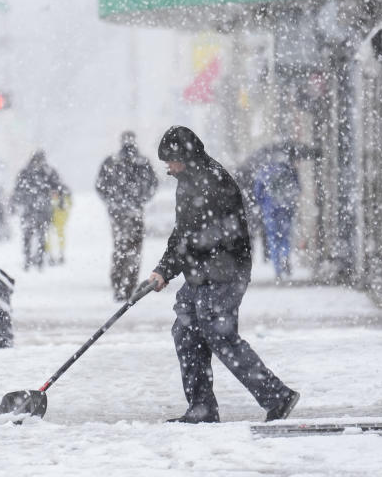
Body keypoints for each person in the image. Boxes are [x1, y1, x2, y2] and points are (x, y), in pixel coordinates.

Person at [147, 126, 299, 424]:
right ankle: (201, 407)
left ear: (185, 156)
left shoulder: (211, 181)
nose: (168, 166)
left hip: (223, 272)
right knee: (186, 332)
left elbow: (200, 237)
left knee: (220, 335)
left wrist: (170, 268)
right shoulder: (189, 180)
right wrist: (164, 269)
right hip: (200, 271)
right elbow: (183, 234)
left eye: (171, 159)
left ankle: (277, 396)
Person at [96, 131, 159, 301]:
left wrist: (112, 202)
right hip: (134, 211)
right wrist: (141, 200)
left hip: (118, 212)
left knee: (120, 247)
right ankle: (129, 284)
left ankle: (118, 284)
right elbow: (153, 184)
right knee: (134, 249)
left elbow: (100, 185)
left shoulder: (112, 161)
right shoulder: (142, 162)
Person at [251, 148, 301, 282]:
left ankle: (278, 269)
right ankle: (285, 256)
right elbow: (298, 188)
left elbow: (257, 193)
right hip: (286, 209)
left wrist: (263, 204)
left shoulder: (264, 172)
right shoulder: (288, 170)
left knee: (273, 240)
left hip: (270, 210)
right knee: (285, 237)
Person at [10, 150, 65, 270]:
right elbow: (58, 187)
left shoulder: (25, 172)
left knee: (28, 235)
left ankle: (29, 259)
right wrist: (60, 201)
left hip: (29, 209)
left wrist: (13, 204)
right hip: (42, 208)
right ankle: (38, 259)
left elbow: (17, 190)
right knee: (41, 235)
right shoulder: (48, 171)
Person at [47, 185, 72, 265]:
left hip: (59, 223)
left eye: (55, 193)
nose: (54, 195)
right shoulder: (51, 201)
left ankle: (60, 254)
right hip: (52, 223)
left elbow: (67, 208)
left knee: (59, 239)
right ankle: (51, 256)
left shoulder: (62, 201)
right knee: (50, 239)